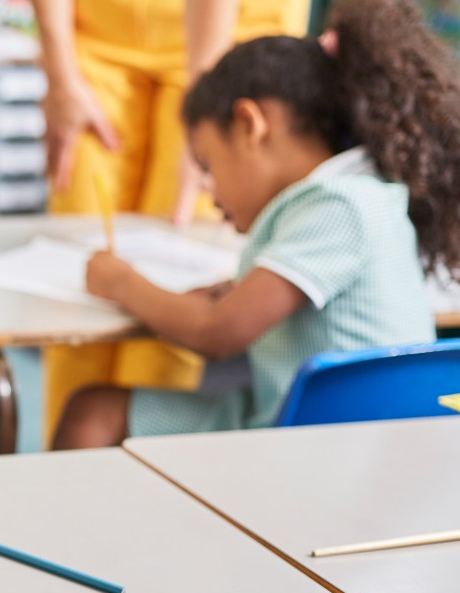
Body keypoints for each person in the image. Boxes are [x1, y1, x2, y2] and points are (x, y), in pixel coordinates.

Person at [53, 0, 460, 448]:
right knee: (96, 407)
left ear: (249, 125)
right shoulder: (357, 192)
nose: (208, 187)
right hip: (336, 429)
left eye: (208, 163)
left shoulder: (338, 206)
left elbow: (216, 333)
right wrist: (235, 287)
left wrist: (122, 282)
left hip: (322, 443)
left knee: (93, 413)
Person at [32, 0, 310, 444]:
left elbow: (214, 330)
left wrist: (203, 117)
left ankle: (151, 476)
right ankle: (73, 476)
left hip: (228, 39)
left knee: (182, 267)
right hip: (104, 36)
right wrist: (60, 72)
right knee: (78, 282)